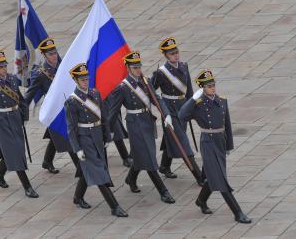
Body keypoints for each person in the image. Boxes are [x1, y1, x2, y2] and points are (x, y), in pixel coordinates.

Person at [179, 69, 251, 224]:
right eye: (208, 86)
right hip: (208, 143)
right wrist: (192, 99)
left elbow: (228, 125)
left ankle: (201, 200)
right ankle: (237, 212)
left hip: (220, 142)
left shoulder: (222, 101)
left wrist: (228, 145)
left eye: (213, 85)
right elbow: (182, 115)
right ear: (202, 88)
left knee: (213, 176)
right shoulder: (198, 104)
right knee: (220, 178)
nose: (212, 88)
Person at [107, 51, 175, 204]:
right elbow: (113, 112)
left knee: (141, 155)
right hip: (135, 124)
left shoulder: (145, 81)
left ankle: (131, 178)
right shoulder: (122, 88)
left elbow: (156, 98)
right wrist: (109, 132)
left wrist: (166, 114)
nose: (138, 69)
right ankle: (163, 191)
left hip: (147, 121)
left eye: (139, 66)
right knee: (150, 157)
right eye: (134, 67)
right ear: (128, 68)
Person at [64, 63, 128, 217]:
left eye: (87, 78)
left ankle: (78, 197)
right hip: (85, 139)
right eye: (82, 79)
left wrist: (107, 136)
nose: (85, 81)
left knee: (91, 168)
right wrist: (77, 149)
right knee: (99, 171)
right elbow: (71, 128)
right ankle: (114, 206)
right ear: (76, 80)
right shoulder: (72, 101)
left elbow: (104, 117)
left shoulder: (95, 93)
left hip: (98, 136)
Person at [0, 50, 38, 198]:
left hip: (15, 118)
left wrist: (24, 115)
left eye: (5, 66)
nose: (4, 69)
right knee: (17, 152)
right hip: (2, 122)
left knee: (13, 149)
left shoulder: (12, 79)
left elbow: (20, 99)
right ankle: (27, 187)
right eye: (0, 67)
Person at [151, 37, 203, 185]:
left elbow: (189, 90)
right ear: (166, 56)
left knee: (172, 138)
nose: (176, 55)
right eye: (172, 54)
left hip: (183, 108)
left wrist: (193, 106)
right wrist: (161, 109)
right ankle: (199, 176)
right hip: (170, 110)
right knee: (182, 141)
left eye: (176, 52)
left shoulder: (184, 66)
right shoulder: (161, 72)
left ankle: (164, 166)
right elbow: (151, 91)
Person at [24, 38, 68, 174]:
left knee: (57, 135)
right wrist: (21, 110)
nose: (54, 56)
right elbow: (30, 93)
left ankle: (47, 161)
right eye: (50, 54)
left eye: (55, 53)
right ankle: (81, 168)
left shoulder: (61, 67)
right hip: (53, 110)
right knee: (65, 136)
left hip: (65, 108)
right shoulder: (40, 74)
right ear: (44, 55)